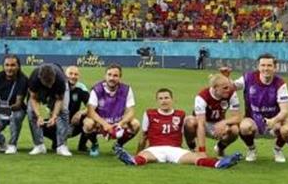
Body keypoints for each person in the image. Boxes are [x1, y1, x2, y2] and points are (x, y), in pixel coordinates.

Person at [113, 89, 242, 169]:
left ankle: (219, 164)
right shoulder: (149, 113)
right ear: (157, 100)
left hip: (175, 149)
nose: (164, 101)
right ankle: (132, 160)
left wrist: (195, 148)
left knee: (197, 159)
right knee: (143, 157)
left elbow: (187, 132)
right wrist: (139, 151)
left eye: (166, 98)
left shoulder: (180, 114)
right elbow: (144, 136)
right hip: (154, 149)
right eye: (161, 98)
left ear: (172, 99)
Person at [223, 56, 288, 163]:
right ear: (258, 67)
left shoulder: (280, 83)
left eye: (269, 65)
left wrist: (274, 120)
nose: (266, 68)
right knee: (244, 127)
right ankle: (252, 149)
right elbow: (231, 87)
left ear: (275, 68)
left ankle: (278, 150)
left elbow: (285, 111)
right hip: (252, 120)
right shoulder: (248, 78)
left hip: (274, 122)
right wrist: (226, 77)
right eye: (263, 65)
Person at [83, 65, 141, 157]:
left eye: (115, 75)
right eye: (109, 75)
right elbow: (91, 111)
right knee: (88, 124)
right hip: (100, 123)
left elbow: (131, 111)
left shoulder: (126, 89)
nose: (112, 78)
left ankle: (118, 145)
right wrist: (105, 124)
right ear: (105, 76)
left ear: (120, 77)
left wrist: (121, 123)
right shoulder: (97, 89)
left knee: (135, 124)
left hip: (118, 123)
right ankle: (94, 144)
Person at [184, 74, 241, 156]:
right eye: (225, 88)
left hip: (219, 124)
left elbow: (237, 117)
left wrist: (224, 122)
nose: (228, 90)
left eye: (229, 86)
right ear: (215, 88)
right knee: (189, 121)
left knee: (235, 129)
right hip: (203, 124)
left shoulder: (232, 94)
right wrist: (202, 151)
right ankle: (192, 148)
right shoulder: (202, 97)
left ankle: (220, 148)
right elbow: (201, 124)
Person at [0, 55, 28, 154]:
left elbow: (18, 104)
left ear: (18, 66)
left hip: (16, 110)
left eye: (13, 65)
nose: (9, 68)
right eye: (7, 65)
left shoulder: (23, 80)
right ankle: (2, 142)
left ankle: (13, 144)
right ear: (3, 66)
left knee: (15, 118)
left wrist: (5, 111)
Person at [27, 63, 73, 157]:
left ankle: (62, 146)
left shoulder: (60, 79)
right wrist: (39, 116)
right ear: (40, 78)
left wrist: (54, 116)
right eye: (47, 84)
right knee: (31, 112)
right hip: (39, 89)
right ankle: (39, 145)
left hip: (58, 87)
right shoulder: (34, 79)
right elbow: (33, 98)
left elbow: (59, 100)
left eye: (51, 83)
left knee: (63, 112)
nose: (49, 87)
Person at [63, 66, 95, 155]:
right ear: (65, 75)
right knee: (42, 125)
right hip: (59, 121)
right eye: (70, 74)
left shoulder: (81, 88)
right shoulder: (60, 86)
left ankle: (82, 145)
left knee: (88, 118)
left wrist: (80, 112)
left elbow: (91, 106)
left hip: (74, 123)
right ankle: (57, 142)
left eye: (76, 74)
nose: (73, 76)